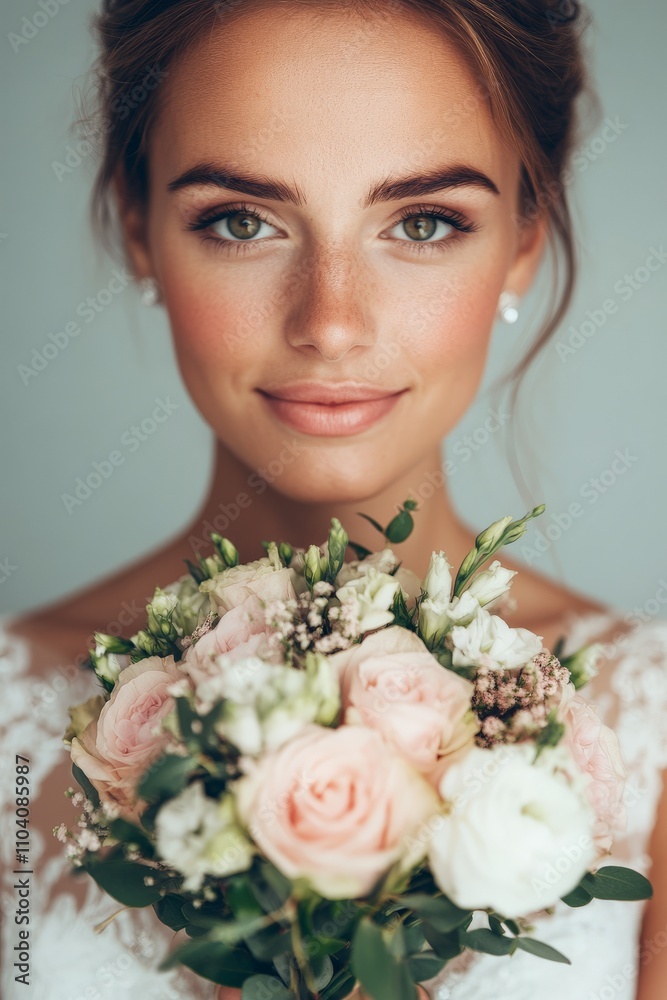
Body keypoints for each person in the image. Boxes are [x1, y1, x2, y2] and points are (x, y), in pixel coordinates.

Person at [2, 0, 667, 997]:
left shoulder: (648, 721)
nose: (331, 322)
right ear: (139, 224)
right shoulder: (14, 725)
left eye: (423, 222)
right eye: (241, 221)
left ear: (525, 234)